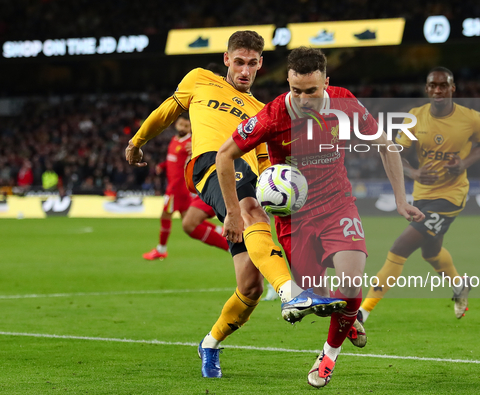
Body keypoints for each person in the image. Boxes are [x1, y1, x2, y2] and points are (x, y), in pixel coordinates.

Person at [125, 31, 346, 379]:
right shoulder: (200, 79)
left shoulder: (261, 111)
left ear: (261, 65)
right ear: (227, 59)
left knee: (250, 287)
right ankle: (292, 293)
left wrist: (281, 184)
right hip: (210, 164)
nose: (244, 70)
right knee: (250, 209)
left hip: (243, 177)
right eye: (239, 62)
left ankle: (209, 344)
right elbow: (167, 111)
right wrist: (137, 142)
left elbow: (263, 162)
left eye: (252, 63)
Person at [216, 46, 424, 388]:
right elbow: (224, 155)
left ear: (326, 83)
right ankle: (349, 314)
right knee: (320, 297)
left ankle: (328, 355)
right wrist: (233, 212)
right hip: (293, 218)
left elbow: (385, 145)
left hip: (338, 205)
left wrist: (402, 201)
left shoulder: (344, 102)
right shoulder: (272, 116)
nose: (303, 98)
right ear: (287, 82)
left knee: (351, 283)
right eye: (296, 90)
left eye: (311, 91)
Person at [359, 67, 480, 322]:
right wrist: (414, 174)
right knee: (430, 253)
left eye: (444, 85)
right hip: (422, 195)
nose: (438, 90)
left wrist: (464, 164)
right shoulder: (415, 117)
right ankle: (459, 284)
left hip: (451, 197)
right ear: (427, 88)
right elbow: (396, 152)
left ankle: (363, 312)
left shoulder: (472, 119)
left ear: (452, 88)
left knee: (400, 247)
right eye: (433, 85)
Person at [142, 112, 229, 261]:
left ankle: (161, 249)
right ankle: (219, 230)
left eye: (186, 126)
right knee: (189, 220)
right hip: (174, 187)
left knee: (165, 216)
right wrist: (162, 166)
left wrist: (195, 148)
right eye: (181, 124)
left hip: (177, 189)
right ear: (176, 124)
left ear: (190, 127)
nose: (182, 127)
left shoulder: (191, 143)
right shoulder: (174, 140)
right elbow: (173, 162)